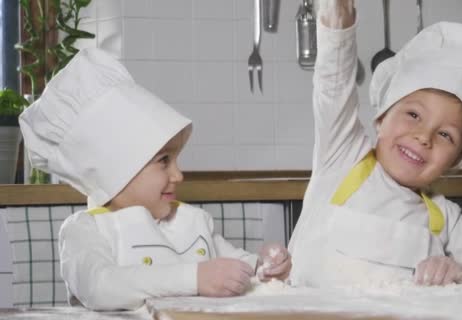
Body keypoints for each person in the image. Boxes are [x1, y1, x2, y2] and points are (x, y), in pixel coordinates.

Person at [288, 0, 462, 295]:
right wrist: (338, 22)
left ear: (457, 160)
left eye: (445, 135)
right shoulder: (342, 159)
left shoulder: (444, 218)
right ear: (381, 117)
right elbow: (333, 86)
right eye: (413, 115)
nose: (424, 137)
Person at [18, 48, 292, 310]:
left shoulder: (193, 221)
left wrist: (264, 266)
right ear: (116, 171)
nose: (178, 175)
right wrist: (194, 278)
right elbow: (100, 286)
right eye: (164, 161)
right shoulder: (86, 230)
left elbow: (237, 265)